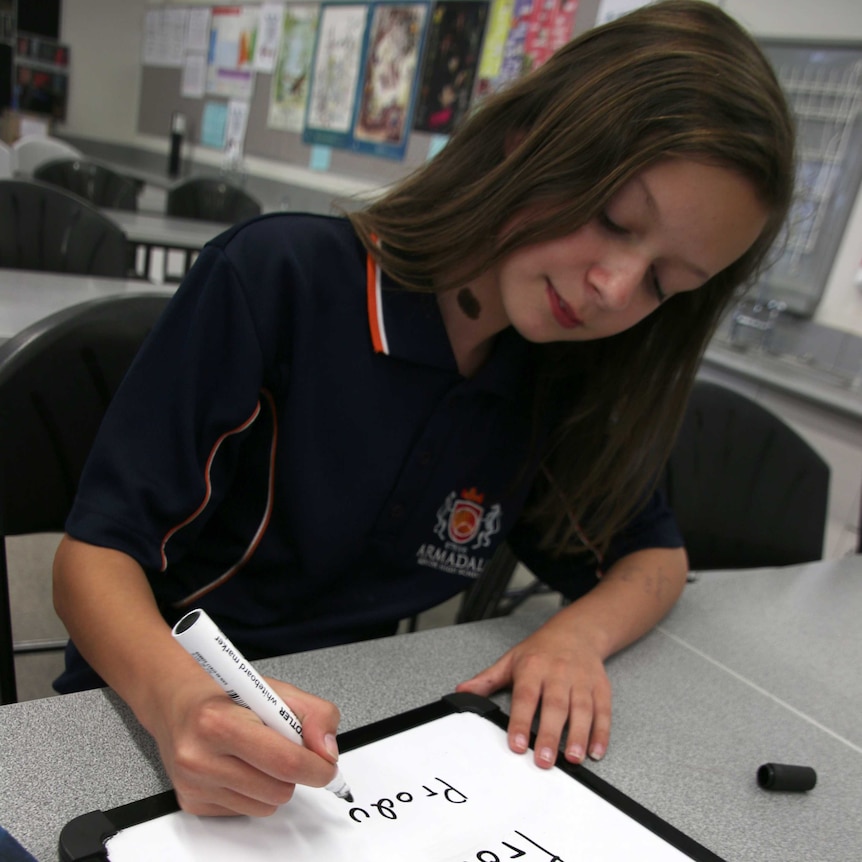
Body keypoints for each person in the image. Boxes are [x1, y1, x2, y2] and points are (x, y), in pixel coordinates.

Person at [53, 0, 794, 818]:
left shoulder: (562, 375)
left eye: (664, 283)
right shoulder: (282, 280)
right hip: (140, 714)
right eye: (614, 219)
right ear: (530, 136)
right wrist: (177, 702)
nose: (615, 287)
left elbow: (654, 560)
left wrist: (574, 635)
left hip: (360, 749)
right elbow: (91, 560)